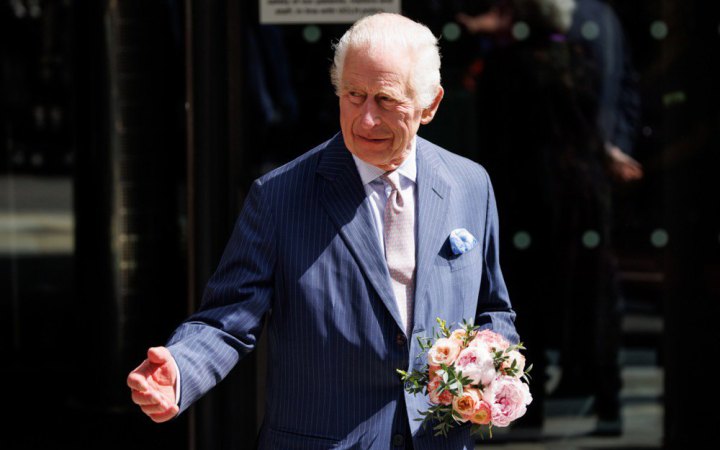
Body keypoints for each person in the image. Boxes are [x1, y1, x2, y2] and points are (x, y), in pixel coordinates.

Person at [127, 12, 519, 450]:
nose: (365, 119)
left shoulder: (469, 184)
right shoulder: (280, 196)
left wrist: (490, 366)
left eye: (386, 100)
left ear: (430, 104)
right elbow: (227, 320)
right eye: (354, 95)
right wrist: (180, 369)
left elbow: (493, 310)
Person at [458, 0, 640, 437]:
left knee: (529, 302)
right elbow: (593, 125)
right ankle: (609, 403)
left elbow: (495, 140)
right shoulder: (581, 58)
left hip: (529, 195)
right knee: (593, 298)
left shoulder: (506, 67)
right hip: (584, 192)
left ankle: (529, 407)